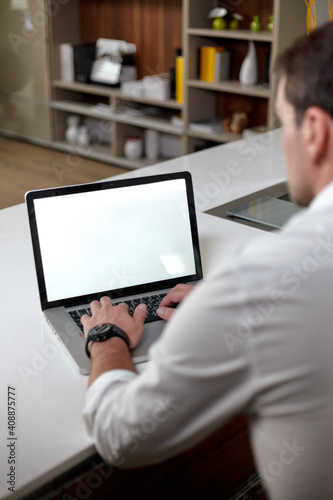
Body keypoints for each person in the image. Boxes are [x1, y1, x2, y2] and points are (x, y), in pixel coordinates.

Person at [82, 23, 333, 499]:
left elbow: (123, 436)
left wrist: (107, 339)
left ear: (316, 131)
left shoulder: (266, 282)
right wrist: (221, 310)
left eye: (284, 123)